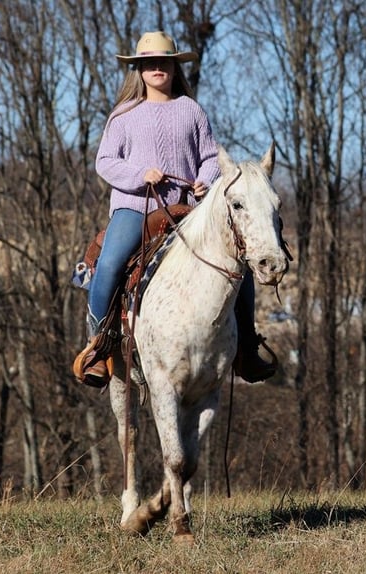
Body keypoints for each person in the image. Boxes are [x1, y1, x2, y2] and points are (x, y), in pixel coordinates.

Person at [73, 31, 276, 388]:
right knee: (109, 262)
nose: (156, 68)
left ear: (173, 67)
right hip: (137, 207)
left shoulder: (191, 110)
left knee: (239, 269)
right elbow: (104, 162)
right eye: (149, 63)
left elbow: (211, 157)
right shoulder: (124, 115)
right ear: (138, 70)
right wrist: (140, 175)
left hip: (187, 209)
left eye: (163, 62)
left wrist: (203, 180)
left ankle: (246, 346)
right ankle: (98, 347)